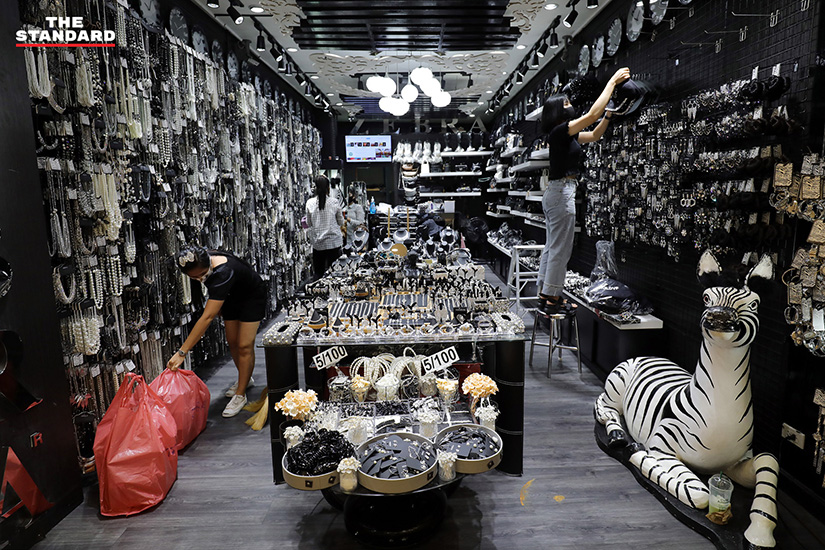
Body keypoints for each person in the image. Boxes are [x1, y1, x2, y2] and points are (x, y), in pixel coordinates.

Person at [537, 67, 630, 313]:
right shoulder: (560, 131)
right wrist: (611, 83)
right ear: (557, 111)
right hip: (561, 193)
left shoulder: (564, 136)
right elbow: (591, 116)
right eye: (566, 103)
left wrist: (608, 114)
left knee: (552, 247)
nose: (570, 106)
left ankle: (545, 293)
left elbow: (595, 134)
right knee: (560, 249)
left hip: (557, 192)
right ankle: (552, 299)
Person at [166, 246, 267, 418]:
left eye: (202, 275)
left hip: (252, 297)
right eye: (194, 277)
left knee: (244, 345)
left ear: (208, 265)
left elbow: (207, 317)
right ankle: (245, 378)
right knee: (232, 341)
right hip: (230, 297)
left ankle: (240, 394)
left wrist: (182, 352)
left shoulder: (223, 272)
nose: (200, 279)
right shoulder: (203, 259)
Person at [306, 174, 344, 278]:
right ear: (328, 187)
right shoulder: (334, 202)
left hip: (318, 244)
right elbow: (341, 222)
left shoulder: (309, 203)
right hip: (334, 243)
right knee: (335, 274)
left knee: (318, 274)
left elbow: (309, 223)